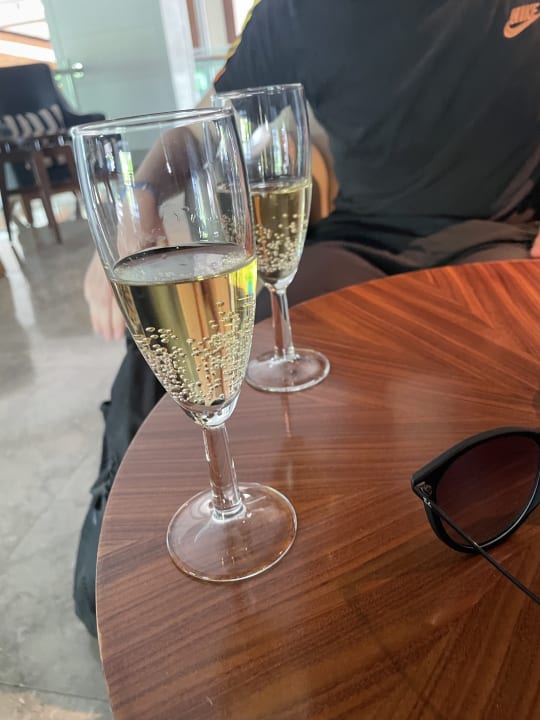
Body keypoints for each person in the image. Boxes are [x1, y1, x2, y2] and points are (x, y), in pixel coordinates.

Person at [74, 0, 540, 635]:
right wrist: (142, 196)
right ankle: (117, 519)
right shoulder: (297, 10)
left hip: (497, 244)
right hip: (359, 240)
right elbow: (207, 127)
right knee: (184, 318)